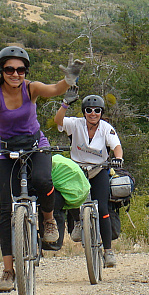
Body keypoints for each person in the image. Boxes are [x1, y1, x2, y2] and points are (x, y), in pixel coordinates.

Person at [0, 46, 83, 292]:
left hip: (36, 145)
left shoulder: (30, 88)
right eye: (10, 69)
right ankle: (8, 270)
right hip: (8, 150)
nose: (15, 74)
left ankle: (48, 221)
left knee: (44, 180)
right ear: (1, 70)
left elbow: (54, 90)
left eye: (20, 69)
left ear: (25, 71)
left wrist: (68, 80)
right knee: (4, 205)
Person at [54, 88, 123, 267]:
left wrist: (118, 158)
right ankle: (77, 222)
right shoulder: (75, 124)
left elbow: (116, 146)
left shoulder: (106, 128)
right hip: (78, 169)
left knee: (102, 208)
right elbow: (58, 121)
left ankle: (108, 251)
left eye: (97, 110)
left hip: (99, 170)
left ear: (101, 113)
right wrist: (65, 104)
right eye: (89, 110)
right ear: (84, 112)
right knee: (72, 197)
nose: (93, 114)